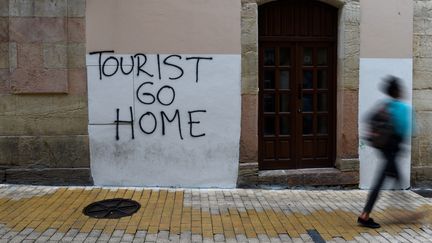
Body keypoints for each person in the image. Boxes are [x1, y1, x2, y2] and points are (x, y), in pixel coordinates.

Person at [357, 76, 413, 228]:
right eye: (400, 89)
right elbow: (406, 128)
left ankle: (405, 209)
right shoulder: (401, 108)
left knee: (394, 177)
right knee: (383, 181)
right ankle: (365, 215)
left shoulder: (384, 105)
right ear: (397, 91)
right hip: (393, 149)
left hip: (383, 148)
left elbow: (368, 119)